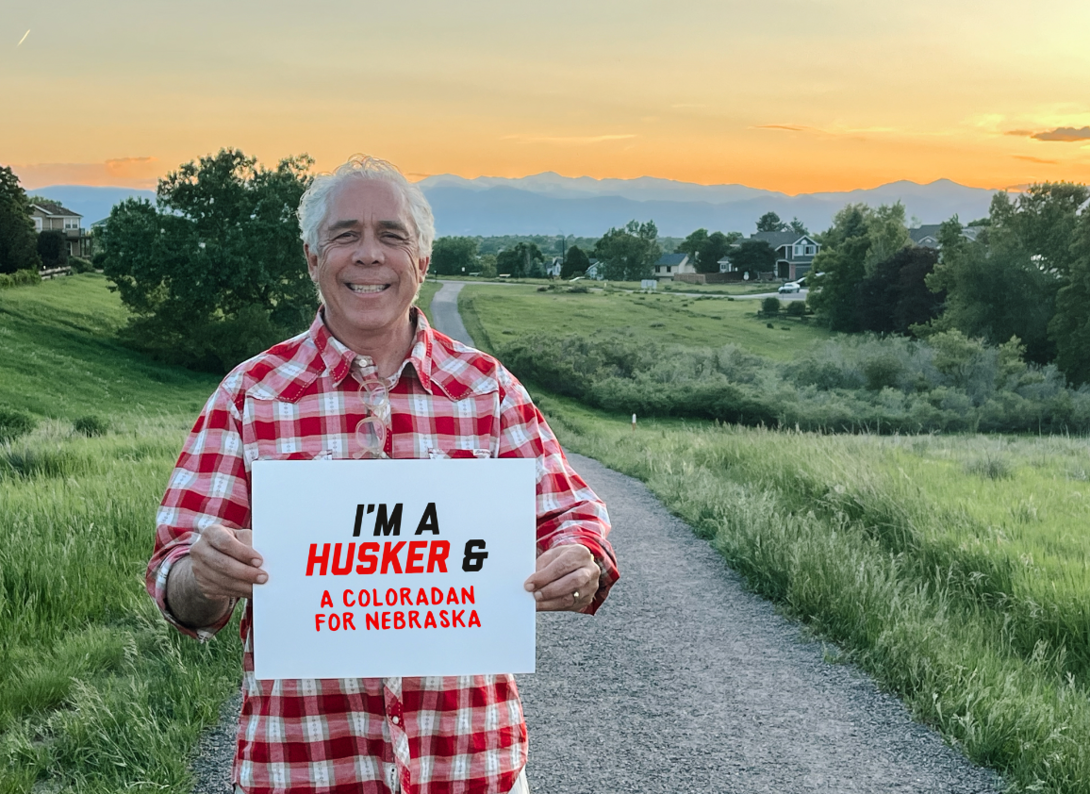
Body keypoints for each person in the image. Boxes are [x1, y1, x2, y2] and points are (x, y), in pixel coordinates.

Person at [146, 154, 618, 794]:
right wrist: (202, 578)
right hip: (303, 769)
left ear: (421, 263)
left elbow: (573, 517)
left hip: (471, 769)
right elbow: (176, 577)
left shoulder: (487, 391)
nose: (369, 255)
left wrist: (580, 557)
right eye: (345, 235)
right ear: (313, 259)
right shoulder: (251, 396)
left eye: (391, 236)